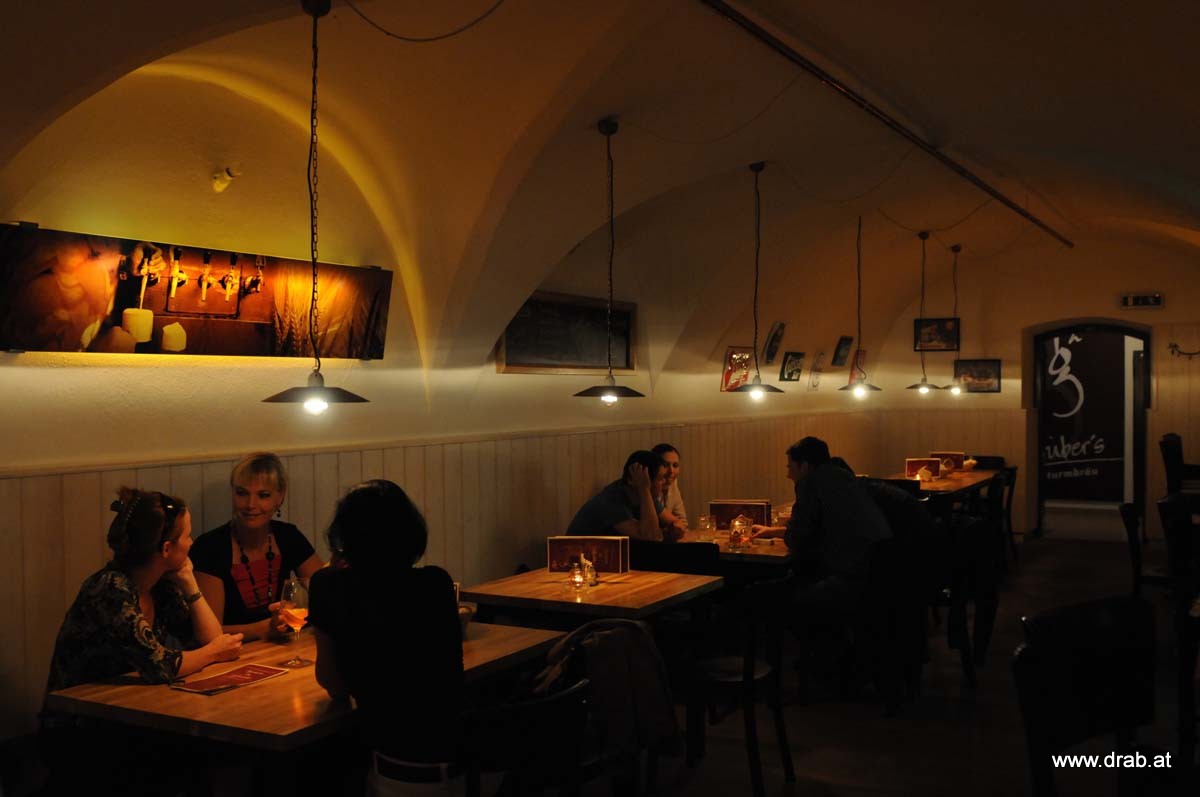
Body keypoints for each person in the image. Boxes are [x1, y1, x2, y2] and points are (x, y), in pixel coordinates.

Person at [40, 487, 244, 794]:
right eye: (187, 536)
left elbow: (208, 637)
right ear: (166, 549)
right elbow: (160, 665)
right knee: (194, 758)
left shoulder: (160, 585)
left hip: (130, 716)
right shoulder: (110, 590)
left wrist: (189, 582)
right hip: (81, 727)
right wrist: (214, 653)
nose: (191, 542)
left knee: (207, 756)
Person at [309, 480, 463, 796]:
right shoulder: (436, 583)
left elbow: (334, 685)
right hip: (461, 766)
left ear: (345, 539)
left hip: (394, 771)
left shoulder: (329, 587)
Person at [751, 437, 891, 618]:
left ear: (804, 466)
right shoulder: (843, 476)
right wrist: (775, 531)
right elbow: (820, 528)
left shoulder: (811, 483)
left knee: (769, 596)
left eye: (790, 467)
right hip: (881, 568)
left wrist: (787, 531)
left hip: (848, 577)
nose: (788, 475)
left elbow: (798, 540)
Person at [192, 452, 324, 640]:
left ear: (280, 497)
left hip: (280, 649)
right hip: (229, 653)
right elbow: (208, 633)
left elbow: (327, 590)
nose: (250, 504)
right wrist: (265, 628)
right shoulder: (209, 547)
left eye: (263, 495)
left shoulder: (288, 536)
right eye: (242, 493)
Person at [566, 450, 680, 541]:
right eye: (660, 479)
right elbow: (650, 537)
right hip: (578, 558)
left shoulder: (647, 496)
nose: (665, 482)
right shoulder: (612, 501)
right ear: (640, 480)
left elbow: (676, 523)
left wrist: (670, 531)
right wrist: (644, 489)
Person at [651, 443, 688, 536]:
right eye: (666, 465)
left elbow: (682, 522)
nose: (671, 471)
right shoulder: (645, 488)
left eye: (675, 465)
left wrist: (677, 527)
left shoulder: (673, 484)